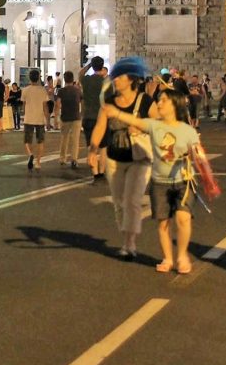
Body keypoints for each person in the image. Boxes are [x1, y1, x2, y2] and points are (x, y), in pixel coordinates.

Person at [107, 86, 198, 273]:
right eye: (158, 99)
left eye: (164, 100)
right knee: (163, 222)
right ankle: (167, 258)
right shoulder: (154, 125)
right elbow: (134, 120)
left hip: (183, 181)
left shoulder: (187, 129)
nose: (159, 103)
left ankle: (182, 256)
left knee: (183, 219)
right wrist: (116, 112)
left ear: (175, 105)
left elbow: (197, 152)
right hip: (159, 182)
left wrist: (195, 156)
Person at [89, 57, 153, 258]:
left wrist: (141, 125)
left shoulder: (145, 101)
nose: (115, 80)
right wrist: (92, 150)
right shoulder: (108, 103)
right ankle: (127, 239)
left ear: (131, 79)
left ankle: (129, 243)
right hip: (114, 158)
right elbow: (100, 127)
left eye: (120, 76)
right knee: (119, 202)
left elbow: (160, 124)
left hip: (139, 158)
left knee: (132, 200)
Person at [79, 57, 107, 183]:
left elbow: (80, 73)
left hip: (88, 116)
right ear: (102, 66)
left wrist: (89, 64)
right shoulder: (105, 81)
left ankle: (95, 173)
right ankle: (101, 172)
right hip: (102, 117)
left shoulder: (87, 80)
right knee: (103, 147)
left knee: (91, 146)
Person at [21, 69, 48, 171]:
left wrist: (24, 113)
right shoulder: (42, 90)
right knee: (40, 141)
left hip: (29, 118)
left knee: (27, 140)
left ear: (30, 78)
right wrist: (48, 120)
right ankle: (38, 162)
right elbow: (45, 106)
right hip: (39, 119)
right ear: (38, 78)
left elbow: (23, 105)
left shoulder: (25, 90)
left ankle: (30, 154)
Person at [57, 71, 83, 167]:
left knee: (64, 138)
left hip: (65, 117)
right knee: (75, 139)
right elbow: (82, 102)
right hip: (76, 117)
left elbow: (58, 104)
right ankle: (74, 159)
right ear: (72, 79)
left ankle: (62, 158)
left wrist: (57, 116)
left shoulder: (61, 91)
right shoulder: (78, 90)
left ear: (65, 79)